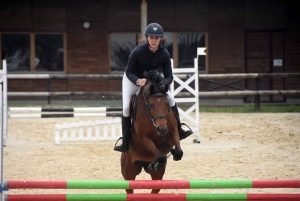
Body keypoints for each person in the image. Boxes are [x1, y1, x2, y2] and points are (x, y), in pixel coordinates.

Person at [114, 23, 193, 153]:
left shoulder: (164, 53)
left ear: (160, 38)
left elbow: (169, 76)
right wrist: (138, 81)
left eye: (157, 38)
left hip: (151, 78)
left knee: (171, 99)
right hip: (132, 78)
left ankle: (180, 130)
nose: (154, 40)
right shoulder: (138, 51)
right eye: (152, 38)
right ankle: (125, 141)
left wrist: (164, 83)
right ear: (147, 38)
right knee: (127, 107)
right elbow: (129, 72)